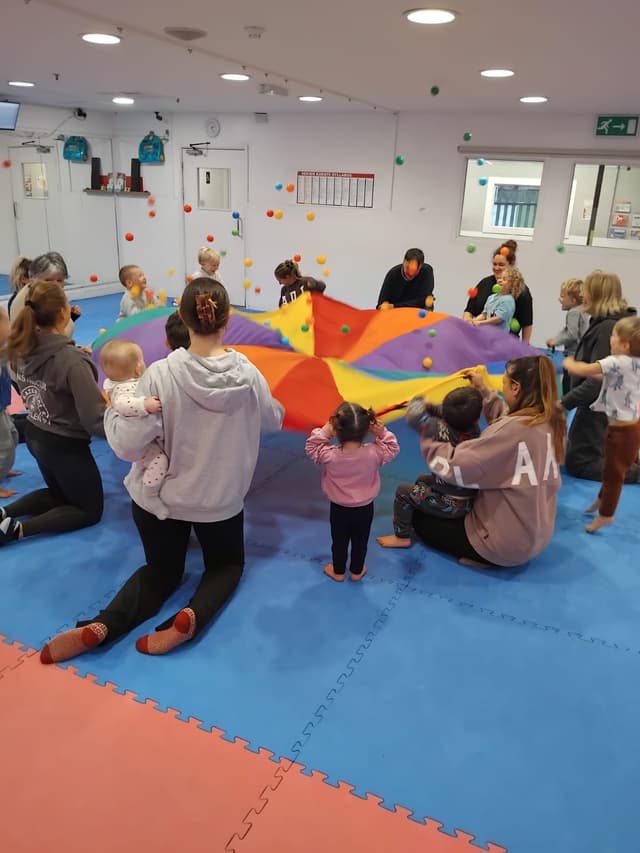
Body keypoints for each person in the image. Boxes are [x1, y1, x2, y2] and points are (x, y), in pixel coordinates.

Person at [40, 278, 284, 663]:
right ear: (226, 321)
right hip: (218, 500)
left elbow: (126, 445)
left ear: (183, 320)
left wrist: (115, 415)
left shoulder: (159, 374)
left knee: (160, 571)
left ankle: (105, 624)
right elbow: (273, 420)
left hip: (160, 499)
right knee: (227, 564)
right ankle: (192, 615)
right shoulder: (248, 374)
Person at [408, 356, 565, 567]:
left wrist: (427, 430)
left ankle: (485, 557)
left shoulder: (512, 432)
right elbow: (507, 420)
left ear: (516, 388)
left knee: (418, 517)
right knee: (425, 484)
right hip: (537, 533)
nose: (502, 385)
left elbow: (454, 466)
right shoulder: (553, 421)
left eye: (505, 382)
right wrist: (483, 391)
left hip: (505, 543)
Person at [0, 280, 106, 547]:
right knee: (88, 511)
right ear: (62, 313)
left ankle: (4, 513)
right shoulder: (71, 362)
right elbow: (94, 420)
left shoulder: (18, 350)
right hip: (65, 445)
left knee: (59, 496)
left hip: (37, 432)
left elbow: (26, 387)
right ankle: (16, 530)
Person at [376, 386, 482, 548]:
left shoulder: (435, 427)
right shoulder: (474, 430)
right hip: (466, 493)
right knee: (422, 480)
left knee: (403, 492)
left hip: (452, 503)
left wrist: (419, 401)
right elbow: (449, 413)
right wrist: (432, 407)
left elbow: (413, 416)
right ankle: (415, 515)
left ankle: (402, 536)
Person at [305, 402, 399, 581]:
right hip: (365, 508)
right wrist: (382, 433)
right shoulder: (374, 453)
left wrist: (325, 430)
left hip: (339, 509)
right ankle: (356, 571)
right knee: (360, 541)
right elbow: (393, 448)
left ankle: (338, 571)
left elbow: (311, 448)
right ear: (366, 431)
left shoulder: (330, 455)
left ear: (336, 430)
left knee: (339, 542)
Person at [561, 270, 639, 482]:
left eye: (585, 290)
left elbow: (597, 378)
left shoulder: (607, 329)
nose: (582, 295)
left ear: (595, 294)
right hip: (608, 405)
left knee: (581, 463)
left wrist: (562, 404)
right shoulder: (607, 323)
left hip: (599, 406)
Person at [563, 316, 640, 533]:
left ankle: (606, 515)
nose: (611, 339)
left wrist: (569, 363)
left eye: (614, 336)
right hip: (629, 428)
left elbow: (584, 370)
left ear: (624, 345)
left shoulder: (616, 361)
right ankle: (601, 499)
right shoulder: (634, 363)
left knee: (615, 475)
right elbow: (609, 379)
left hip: (621, 431)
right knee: (608, 466)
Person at [100, 339, 167, 518]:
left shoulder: (118, 384)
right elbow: (123, 404)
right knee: (160, 461)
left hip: (131, 443)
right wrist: (144, 404)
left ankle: (134, 479)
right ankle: (150, 494)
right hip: (130, 443)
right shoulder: (124, 389)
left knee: (145, 461)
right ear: (138, 368)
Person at [463, 241, 533, 343]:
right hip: (481, 339)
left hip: (504, 343)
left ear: (511, 265)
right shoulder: (485, 284)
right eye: (494, 264)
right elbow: (470, 310)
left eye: (501, 264)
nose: (496, 268)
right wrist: (470, 322)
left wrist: (525, 347)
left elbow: (527, 322)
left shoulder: (520, 291)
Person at [9, 253, 81, 336]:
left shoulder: (53, 296)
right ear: (32, 279)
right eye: (48, 280)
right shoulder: (26, 302)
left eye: (59, 280)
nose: (55, 285)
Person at [546, 278, 590, 394]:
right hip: (582, 354)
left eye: (562, 297)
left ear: (573, 300)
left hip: (573, 355)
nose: (559, 299)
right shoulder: (583, 310)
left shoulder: (573, 312)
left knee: (568, 386)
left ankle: (567, 407)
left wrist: (555, 342)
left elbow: (571, 334)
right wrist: (556, 338)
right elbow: (569, 330)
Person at [0, 307, 20, 499]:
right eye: (6, 322)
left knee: (13, 437)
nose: (9, 326)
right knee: (4, 446)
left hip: (2, 406)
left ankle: (4, 469)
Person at [471, 266, 525, 332]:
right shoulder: (491, 297)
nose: (500, 280)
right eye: (500, 278)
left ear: (512, 285)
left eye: (504, 279)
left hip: (499, 337)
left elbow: (498, 319)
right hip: (488, 334)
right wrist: (474, 321)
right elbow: (484, 314)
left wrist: (481, 323)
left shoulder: (508, 300)